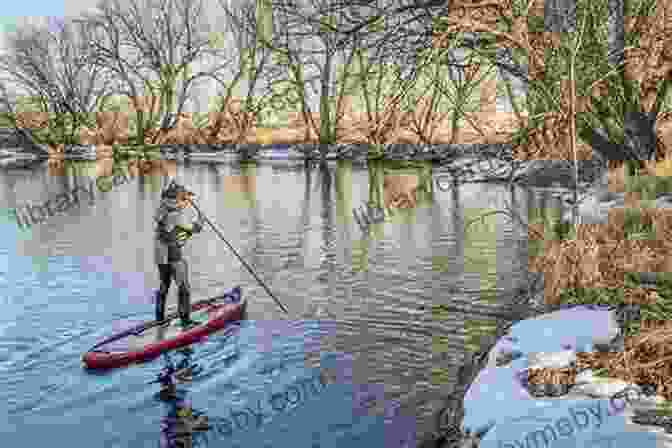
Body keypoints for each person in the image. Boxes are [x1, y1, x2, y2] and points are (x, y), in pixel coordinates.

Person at [154, 180, 204, 328]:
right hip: (172, 251)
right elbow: (194, 229)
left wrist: (182, 199)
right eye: (185, 198)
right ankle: (186, 321)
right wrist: (201, 219)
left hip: (159, 250)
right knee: (184, 287)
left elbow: (172, 205)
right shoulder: (176, 214)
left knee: (164, 284)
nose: (187, 201)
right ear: (177, 198)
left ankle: (159, 318)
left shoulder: (161, 209)